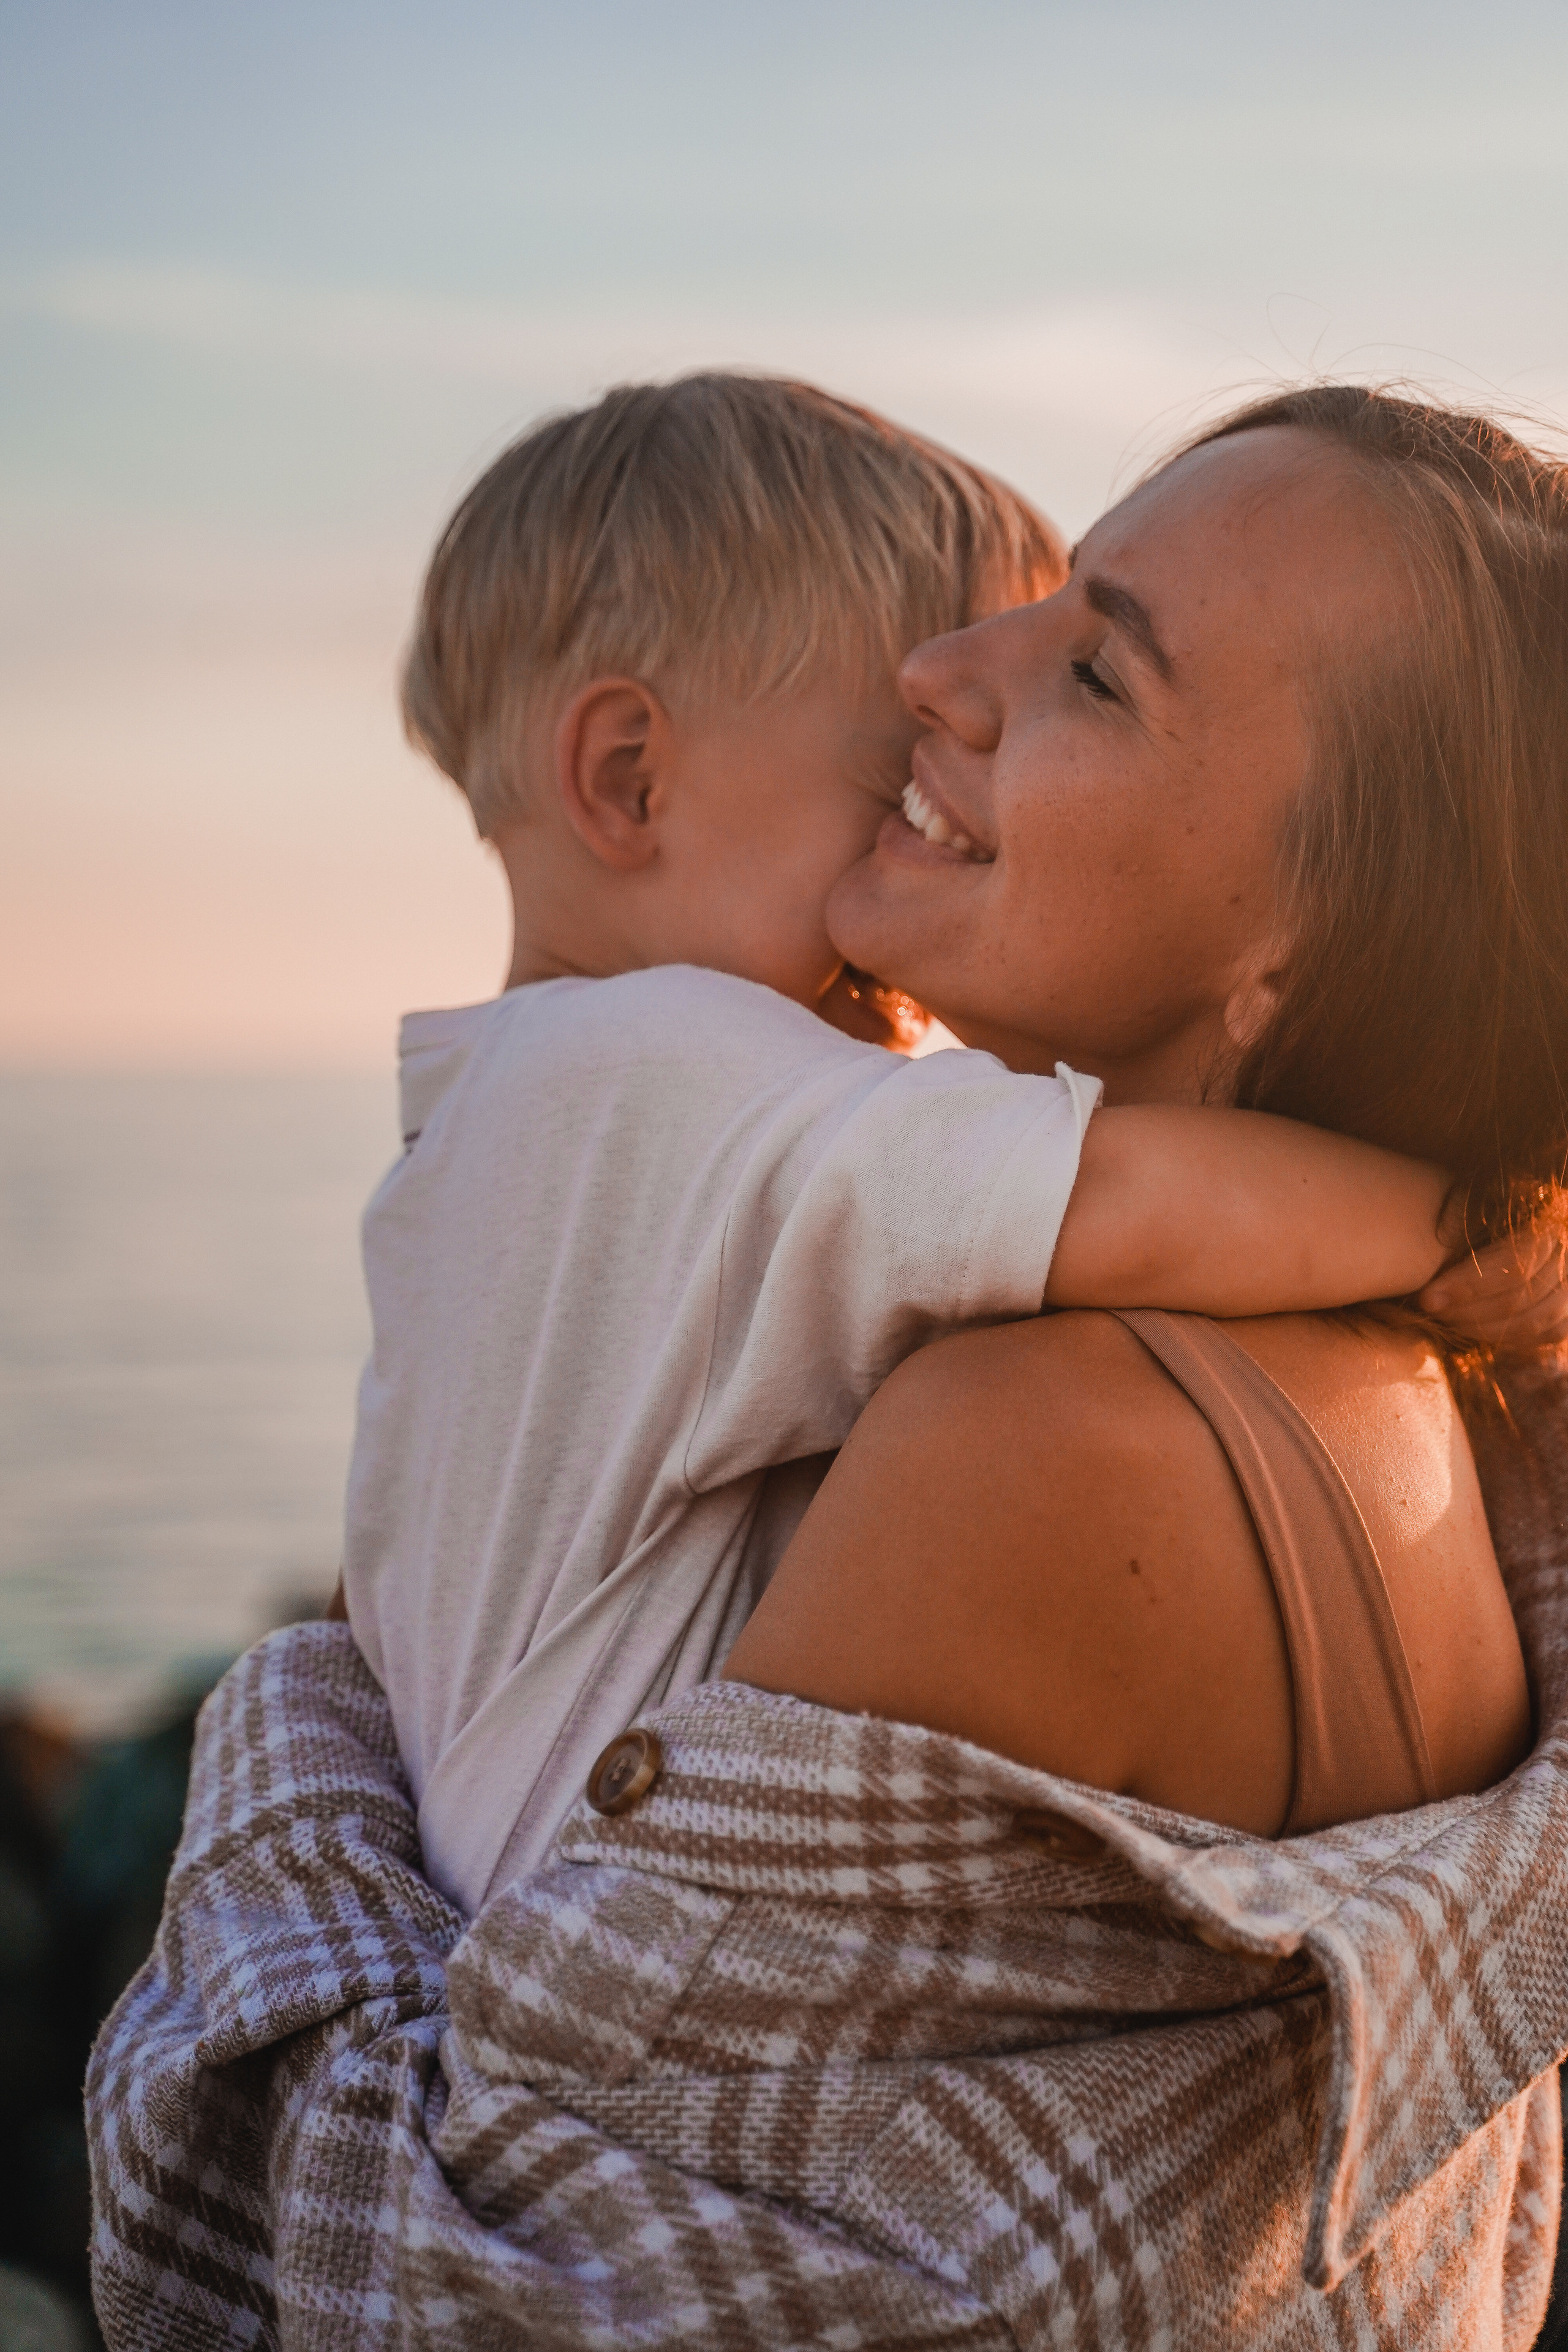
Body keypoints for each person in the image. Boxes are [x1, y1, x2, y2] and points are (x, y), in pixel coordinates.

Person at [89, 386, 1568, 2350]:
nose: (938, 677)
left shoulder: (1046, 1435)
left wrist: (295, 1740)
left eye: (1097, 670)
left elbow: (458, 2274)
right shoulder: (1449, 1422)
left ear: (1295, 943)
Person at [347, 371, 1462, 1920]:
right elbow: (1120, 1198)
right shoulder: (661, 1073)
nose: (930, 780)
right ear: (628, 779)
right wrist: (1472, 1226)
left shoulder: (512, 1113)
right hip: (552, 1922)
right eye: (890, 789)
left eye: (1090, 676)